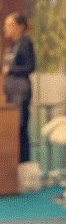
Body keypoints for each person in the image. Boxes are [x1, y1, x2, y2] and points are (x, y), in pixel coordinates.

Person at [2, 12, 36, 163]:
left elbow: (31, 66)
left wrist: (11, 70)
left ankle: (23, 164)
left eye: (10, 25)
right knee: (12, 128)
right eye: (5, 25)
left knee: (20, 128)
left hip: (20, 91)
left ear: (20, 27)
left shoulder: (25, 43)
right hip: (10, 90)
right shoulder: (12, 45)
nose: (6, 28)